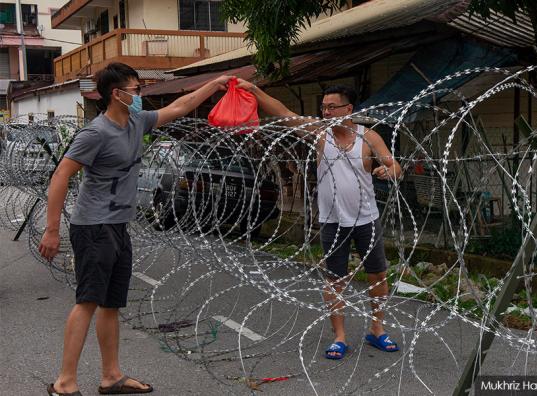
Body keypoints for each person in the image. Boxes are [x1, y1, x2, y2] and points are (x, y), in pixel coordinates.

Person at [38, 62, 233, 395]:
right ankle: (65, 381)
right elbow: (60, 176)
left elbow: (180, 106)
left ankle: (111, 376)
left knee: (111, 304)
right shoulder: (95, 133)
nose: (140, 94)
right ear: (117, 94)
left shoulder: (137, 121)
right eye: (136, 89)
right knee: (87, 301)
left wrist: (216, 84)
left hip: (117, 227)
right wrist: (52, 229)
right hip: (93, 226)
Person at [237, 81, 402, 359]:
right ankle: (339, 337)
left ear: (348, 108)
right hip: (333, 221)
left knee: (377, 275)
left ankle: (377, 329)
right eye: (323, 107)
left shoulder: (368, 137)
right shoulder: (319, 135)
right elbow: (284, 113)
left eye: (331, 107)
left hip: (366, 219)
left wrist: (390, 171)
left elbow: (395, 164)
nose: (325, 112)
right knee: (335, 280)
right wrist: (253, 90)